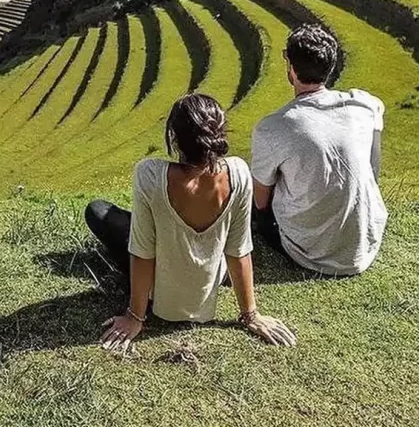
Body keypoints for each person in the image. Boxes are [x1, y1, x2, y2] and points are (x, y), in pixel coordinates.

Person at [85, 93, 296, 353]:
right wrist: (251, 315)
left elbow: (142, 251)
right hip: (211, 278)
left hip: (160, 295)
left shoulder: (149, 173)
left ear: (174, 139)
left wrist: (135, 317)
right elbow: (239, 249)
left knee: (98, 211)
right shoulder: (239, 172)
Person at [251, 23, 387, 276]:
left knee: (250, 186)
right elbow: (377, 107)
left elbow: (261, 202)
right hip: (365, 244)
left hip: (309, 251)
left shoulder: (273, 127)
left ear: (291, 68)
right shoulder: (365, 106)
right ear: (331, 66)